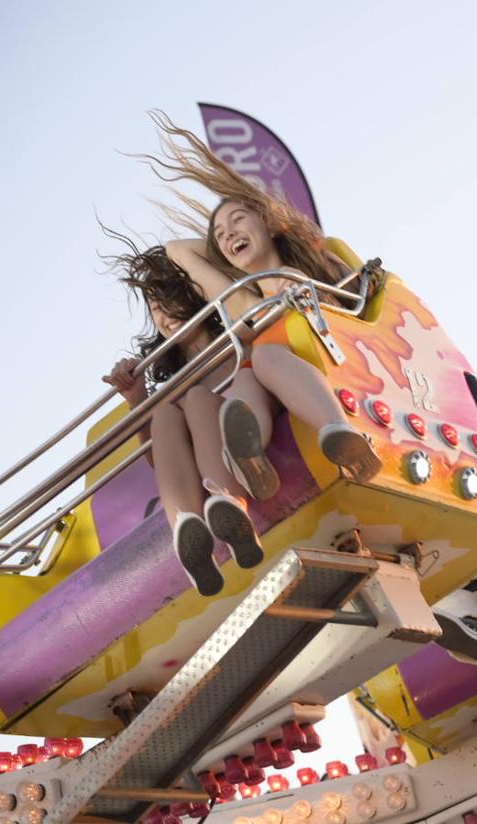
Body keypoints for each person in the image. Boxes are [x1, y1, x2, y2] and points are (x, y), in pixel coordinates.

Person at [139, 112, 381, 500]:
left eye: (238, 221)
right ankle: (245, 458)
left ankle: (338, 432)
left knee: (264, 358)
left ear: (269, 224)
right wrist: (223, 252)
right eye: (220, 234)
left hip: (332, 359)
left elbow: (355, 306)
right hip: (273, 375)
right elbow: (176, 250)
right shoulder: (243, 298)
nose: (229, 233)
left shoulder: (315, 264)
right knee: (251, 371)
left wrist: (291, 274)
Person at [101, 236, 262, 596]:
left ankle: (230, 505)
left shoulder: (239, 338)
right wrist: (137, 397)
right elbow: (162, 460)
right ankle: (190, 531)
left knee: (199, 400)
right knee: (164, 416)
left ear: (193, 293)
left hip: (247, 449)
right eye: (154, 307)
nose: (163, 316)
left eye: (168, 299)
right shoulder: (172, 389)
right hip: (200, 462)